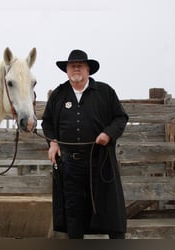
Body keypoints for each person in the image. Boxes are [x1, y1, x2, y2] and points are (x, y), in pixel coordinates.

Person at [41, 49, 128, 239]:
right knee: (74, 212)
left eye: (80, 65)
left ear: (88, 69)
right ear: (66, 70)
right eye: (72, 66)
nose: (76, 69)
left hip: (100, 161)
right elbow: (46, 122)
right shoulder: (59, 94)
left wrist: (108, 133)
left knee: (110, 210)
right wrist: (53, 143)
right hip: (70, 165)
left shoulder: (105, 92)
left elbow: (120, 118)